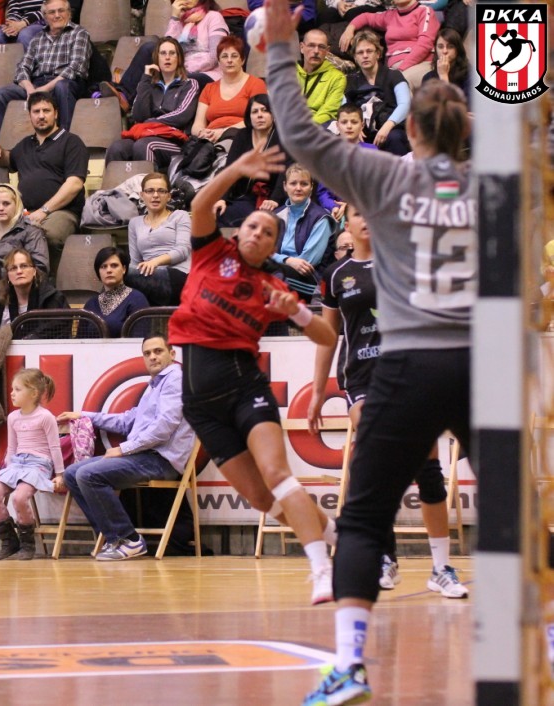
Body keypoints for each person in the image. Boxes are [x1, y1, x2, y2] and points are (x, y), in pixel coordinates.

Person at [264, 0, 474, 701]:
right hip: (483, 364)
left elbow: (298, 133)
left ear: (408, 129)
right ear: (467, 131)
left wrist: (280, 45)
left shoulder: (384, 177)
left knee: (362, 516)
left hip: (408, 363)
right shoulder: (496, 185)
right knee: (521, 516)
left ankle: (349, 666)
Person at [167, 145, 339, 605]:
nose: (258, 232)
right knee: (263, 500)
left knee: (278, 473)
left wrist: (297, 313)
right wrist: (235, 170)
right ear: (239, 230)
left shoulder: (274, 287)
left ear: (273, 245)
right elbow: (201, 204)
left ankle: (322, 569)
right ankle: (338, 536)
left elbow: (326, 336)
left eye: (267, 232)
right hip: (200, 406)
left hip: (245, 389)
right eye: (252, 226)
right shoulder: (210, 252)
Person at [307, 203, 468, 599]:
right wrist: (317, 391)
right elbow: (327, 337)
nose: (366, 219)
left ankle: (441, 568)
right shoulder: (337, 275)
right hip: (363, 380)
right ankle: (385, 557)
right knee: (378, 462)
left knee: (428, 469)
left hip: (411, 374)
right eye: (357, 214)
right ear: (347, 223)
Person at [58, 334, 196, 559]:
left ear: (171, 354)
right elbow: (126, 421)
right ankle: (112, 538)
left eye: (158, 351)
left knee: (88, 475)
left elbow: (164, 427)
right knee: (72, 474)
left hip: (160, 459)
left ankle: (128, 539)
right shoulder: (155, 385)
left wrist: (124, 449)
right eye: (147, 353)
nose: (152, 357)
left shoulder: (175, 380)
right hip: (144, 456)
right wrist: (84, 415)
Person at [0, 91, 88, 254]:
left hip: (61, 212)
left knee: (47, 236)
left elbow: (74, 184)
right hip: (24, 212)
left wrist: (44, 210)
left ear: (56, 114)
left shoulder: (72, 142)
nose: (41, 116)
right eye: (36, 111)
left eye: (46, 111)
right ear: (30, 116)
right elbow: (8, 161)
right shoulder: (26, 144)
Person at [0, 368, 63, 560]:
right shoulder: (13, 417)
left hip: (38, 465)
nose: (12, 393)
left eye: (17, 389)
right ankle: (9, 541)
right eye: (12, 389)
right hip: (17, 464)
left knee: (19, 497)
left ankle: (27, 543)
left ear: (34, 393)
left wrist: (59, 474)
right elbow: (12, 448)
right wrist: (8, 470)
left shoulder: (45, 417)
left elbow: (55, 447)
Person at [0, 0, 91, 141]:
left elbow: (75, 68)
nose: (57, 15)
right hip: (37, 84)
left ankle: (63, 140)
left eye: (61, 11)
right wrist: (30, 89)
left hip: (65, 82)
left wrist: (45, 89)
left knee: (62, 87)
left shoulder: (79, 33)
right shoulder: (38, 38)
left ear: (69, 13)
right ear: (45, 16)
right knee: (0, 94)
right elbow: (22, 68)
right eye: (52, 12)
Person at [104, 2, 224, 110]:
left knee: (188, 79)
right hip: (178, 69)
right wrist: (175, 18)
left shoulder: (213, 17)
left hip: (206, 73)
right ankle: (124, 95)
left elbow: (216, 56)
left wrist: (182, 69)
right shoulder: (180, 20)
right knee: (149, 48)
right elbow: (166, 47)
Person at [104, 37, 200, 169]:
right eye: (163, 53)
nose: (167, 57)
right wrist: (145, 79)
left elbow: (181, 115)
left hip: (175, 141)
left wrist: (152, 122)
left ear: (179, 58)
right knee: (116, 148)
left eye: (172, 53)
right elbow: (138, 115)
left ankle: (149, 183)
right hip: (147, 134)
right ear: (157, 58)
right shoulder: (149, 85)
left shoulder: (189, 84)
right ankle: (116, 183)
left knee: (145, 145)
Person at [214, 94, 287, 227]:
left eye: (265, 111)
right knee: (217, 213)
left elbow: (285, 173)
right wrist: (222, 198)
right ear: (249, 116)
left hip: (270, 198)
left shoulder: (283, 138)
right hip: (242, 196)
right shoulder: (242, 135)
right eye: (255, 112)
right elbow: (230, 170)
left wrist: (275, 199)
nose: (260, 115)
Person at [271, 163, 336, 299]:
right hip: (281, 270)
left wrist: (279, 260)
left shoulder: (321, 218)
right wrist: (287, 260)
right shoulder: (276, 215)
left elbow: (307, 262)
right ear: (285, 186)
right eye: (293, 183)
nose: (298, 188)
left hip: (310, 280)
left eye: (304, 184)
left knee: (271, 277)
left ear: (311, 187)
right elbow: (263, 253)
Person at [339, 0, 436, 89]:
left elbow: (425, 44)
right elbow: (366, 17)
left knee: (400, 82)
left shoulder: (424, 11)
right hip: (394, 67)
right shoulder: (390, 15)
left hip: (420, 63)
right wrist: (350, 29)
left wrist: (400, 69)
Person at [126, 172, 190, 307]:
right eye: (150, 191)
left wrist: (155, 262)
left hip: (178, 276)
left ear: (169, 196)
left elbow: (182, 251)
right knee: (115, 274)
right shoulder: (134, 223)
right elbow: (135, 261)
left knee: (119, 274)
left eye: (161, 191)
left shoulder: (180, 216)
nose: (155, 195)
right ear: (142, 195)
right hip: (148, 276)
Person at [342, 30, 410, 155]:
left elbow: (405, 104)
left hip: (392, 128)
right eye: (360, 52)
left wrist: (387, 126)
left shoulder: (394, 75)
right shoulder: (351, 80)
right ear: (355, 57)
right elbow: (345, 109)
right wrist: (354, 127)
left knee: (395, 138)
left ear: (378, 54)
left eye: (369, 51)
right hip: (363, 130)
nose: (365, 56)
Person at [189, 36, 266, 142]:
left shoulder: (256, 84)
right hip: (209, 139)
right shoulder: (209, 88)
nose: (229, 60)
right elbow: (197, 125)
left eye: (234, 56)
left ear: (242, 60)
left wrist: (224, 131)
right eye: (224, 56)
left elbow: (258, 118)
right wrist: (202, 132)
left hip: (241, 137)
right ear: (219, 62)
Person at [0, 247, 68, 330]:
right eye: (13, 268)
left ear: (34, 271)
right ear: (8, 275)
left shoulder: (51, 298)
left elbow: (57, 330)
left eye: (24, 266)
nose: (19, 271)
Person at [83, 246, 149, 338]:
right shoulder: (90, 304)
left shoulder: (137, 299)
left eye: (114, 265)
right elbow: (79, 341)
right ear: (98, 272)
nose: (109, 270)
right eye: (103, 266)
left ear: (124, 269)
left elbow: (140, 339)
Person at [295, 28, 345, 126]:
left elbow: (329, 112)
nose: (316, 51)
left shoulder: (337, 77)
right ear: (301, 47)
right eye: (311, 45)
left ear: (327, 51)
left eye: (321, 47)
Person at [421, 27, 469, 96]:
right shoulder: (428, 78)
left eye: (450, 47)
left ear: (458, 49)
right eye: (440, 47)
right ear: (435, 49)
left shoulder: (470, 75)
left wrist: (443, 75)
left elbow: (459, 102)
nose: (445, 51)